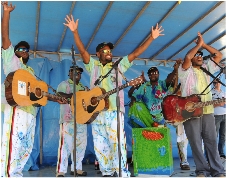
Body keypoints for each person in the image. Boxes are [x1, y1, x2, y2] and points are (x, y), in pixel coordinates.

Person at [63, 14, 164, 177]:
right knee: (100, 144)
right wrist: (75, 32)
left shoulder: (119, 66)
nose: (109, 52)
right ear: (98, 53)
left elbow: (136, 53)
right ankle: (107, 171)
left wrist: (151, 38)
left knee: (117, 142)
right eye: (105, 50)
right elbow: (82, 51)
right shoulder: (93, 66)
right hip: (95, 113)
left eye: (110, 50)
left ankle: (122, 171)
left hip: (113, 111)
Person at [128, 60, 190, 170]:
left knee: (174, 136)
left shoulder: (162, 84)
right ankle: (138, 157)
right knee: (136, 108)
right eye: (151, 73)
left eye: (155, 73)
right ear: (148, 76)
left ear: (158, 74)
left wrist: (175, 70)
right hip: (149, 118)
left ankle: (180, 161)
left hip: (162, 118)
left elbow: (169, 80)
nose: (153, 74)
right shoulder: (145, 86)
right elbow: (132, 95)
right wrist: (133, 98)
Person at [178, 31, 225, 177]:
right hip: (190, 112)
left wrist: (204, 44)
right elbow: (187, 57)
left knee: (211, 141)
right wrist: (198, 45)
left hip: (208, 110)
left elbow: (218, 55)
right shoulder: (184, 70)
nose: (199, 56)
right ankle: (202, 170)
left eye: (201, 54)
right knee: (196, 143)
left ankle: (218, 171)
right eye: (196, 54)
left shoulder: (207, 68)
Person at [56, 66, 88, 177]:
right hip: (68, 118)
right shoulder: (64, 84)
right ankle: (61, 170)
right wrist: (75, 96)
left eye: (79, 72)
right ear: (69, 73)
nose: (77, 74)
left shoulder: (83, 87)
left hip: (81, 119)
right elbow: (58, 95)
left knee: (80, 145)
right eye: (74, 72)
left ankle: (77, 168)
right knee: (66, 145)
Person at [211, 78, 226, 159]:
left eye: (217, 82)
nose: (216, 84)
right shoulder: (211, 93)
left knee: (223, 135)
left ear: (220, 83)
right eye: (214, 83)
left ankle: (221, 152)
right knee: (215, 135)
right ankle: (214, 153)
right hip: (216, 115)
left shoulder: (224, 92)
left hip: (225, 115)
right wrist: (219, 104)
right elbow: (209, 105)